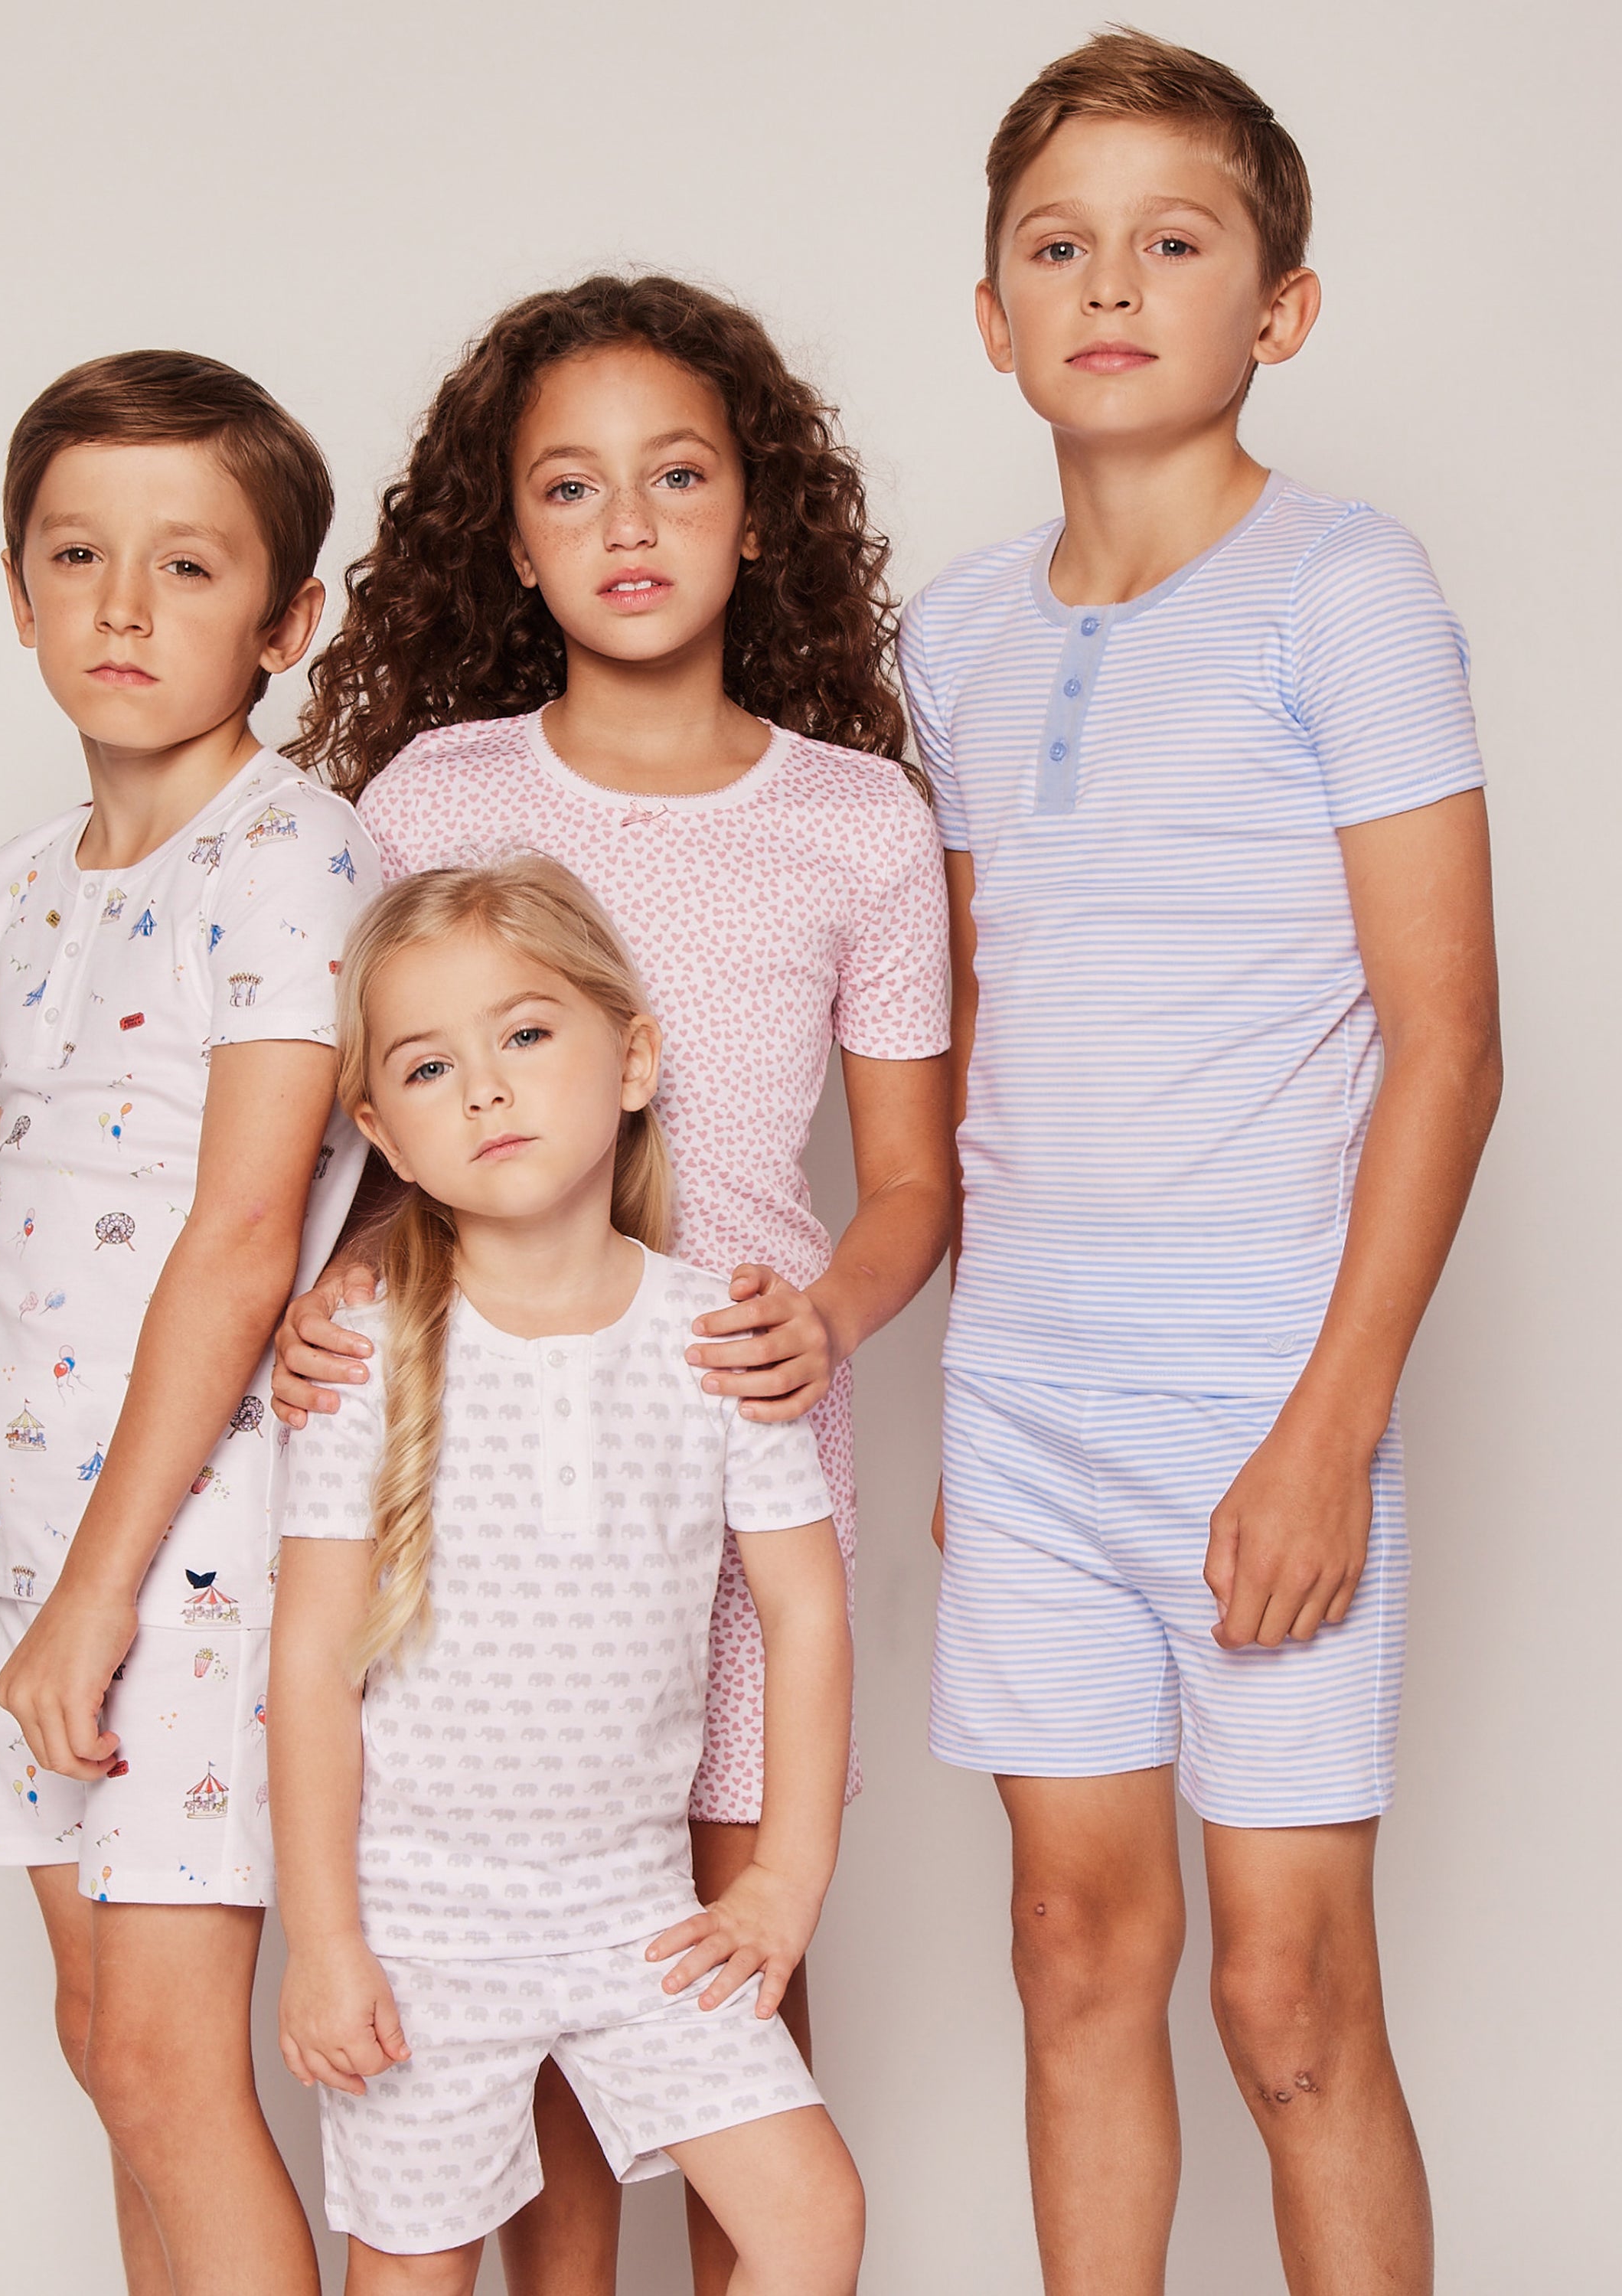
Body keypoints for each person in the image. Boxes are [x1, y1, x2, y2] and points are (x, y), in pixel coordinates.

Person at [273, 274, 951, 2293]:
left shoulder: (859, 820)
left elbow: (907, 1185)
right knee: (524, 2082)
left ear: (762, 516)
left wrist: (820, 1321)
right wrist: (347, 1293)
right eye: (574, 487)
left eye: (677, 476)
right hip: (493, 1477)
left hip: (730, 1449)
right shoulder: (440, 801)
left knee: (727, 2011)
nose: (630, 523)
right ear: (515, 540)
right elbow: (395, 1114)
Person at [899, 31, 1501, 2296]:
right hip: (1029, 1399)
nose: (1113, 282)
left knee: (1290, 1996)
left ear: (1286, 305)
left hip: (1266, 1383)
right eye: (1058, 246)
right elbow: (955, 1062)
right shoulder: (948, 637)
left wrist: (1330, 1432)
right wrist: (976, 1384)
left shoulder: (1345, 589)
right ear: (993, 319)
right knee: (1071, 1946)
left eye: (1178, 240)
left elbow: (1450, 1038)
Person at [0, 351, 377, 2296]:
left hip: (193, 1555)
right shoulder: (14, 892)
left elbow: (247, 1234)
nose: (119, 605)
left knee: (176, 2063)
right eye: (77, 555)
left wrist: (93, 1598)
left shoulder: (292, 858)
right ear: (17, 592)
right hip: (33, 1546)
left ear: (287, 618)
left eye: (187, 567)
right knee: (110, 2057)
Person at [269, 854, 864, 2296]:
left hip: (636, 1910)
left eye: (527, 1035)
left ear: (635, 1056)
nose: (485, 1089)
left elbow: (804, 1610)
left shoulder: (714, 1336)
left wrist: (784, 1877)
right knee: (413, 2273)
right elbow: (306, 1666)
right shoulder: (364, 1356)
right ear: (382, 1135)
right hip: (419, 1928)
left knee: (810, 2222)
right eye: (428, 1066)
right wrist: (326, 1941)